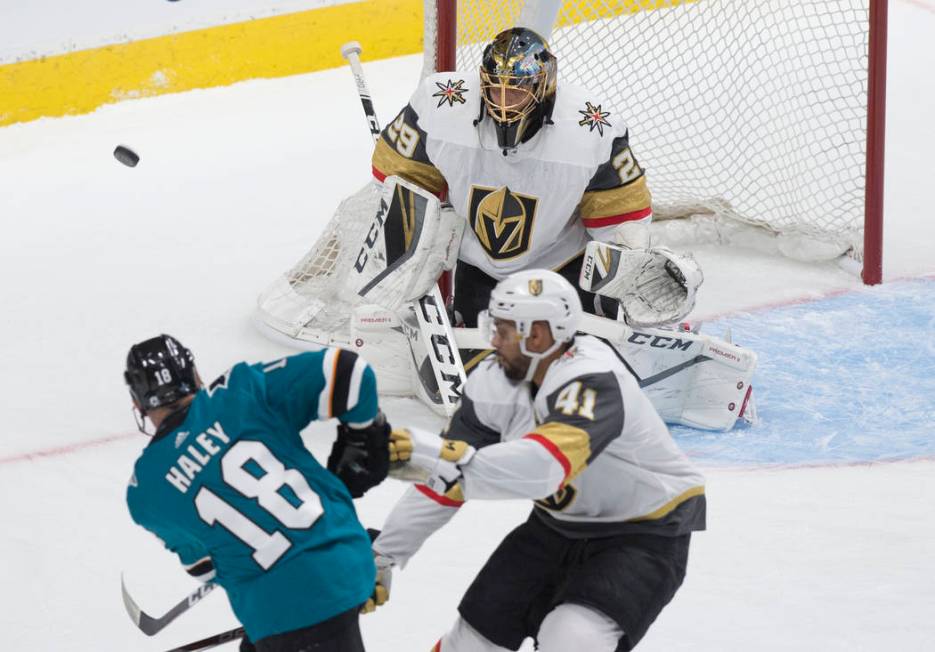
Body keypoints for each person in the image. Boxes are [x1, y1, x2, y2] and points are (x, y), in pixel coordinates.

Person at [371, 270, 706, 651]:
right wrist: (384, 554)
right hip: (556, 526)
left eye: (503, 329)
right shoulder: (491, 383)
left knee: (572, 638)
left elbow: (544, 469)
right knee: (471, 643)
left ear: (539, 336)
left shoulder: (593, 377)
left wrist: (443, 458)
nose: (493, 340)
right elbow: (444, 482)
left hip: (644, 533)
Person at [372, 27, 657, 328]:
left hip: (564, 268)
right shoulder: (439, 105)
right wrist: (427, 236)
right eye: (497, 89)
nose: (504, 104)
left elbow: (622, 219)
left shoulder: (591, 129)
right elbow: (396, 182)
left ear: (542, 87)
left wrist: (629, 277)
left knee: (571, 368)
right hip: (480, 268)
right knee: (481, 367)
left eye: (517, 92)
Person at [124, 334, 391, 651]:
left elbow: (205, 568)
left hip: (278, 610)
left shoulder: (144, 490)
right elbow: (349, 371)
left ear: (138, 403)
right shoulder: (240, 391)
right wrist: (364, 440)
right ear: (194, 375)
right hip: (343, 564)